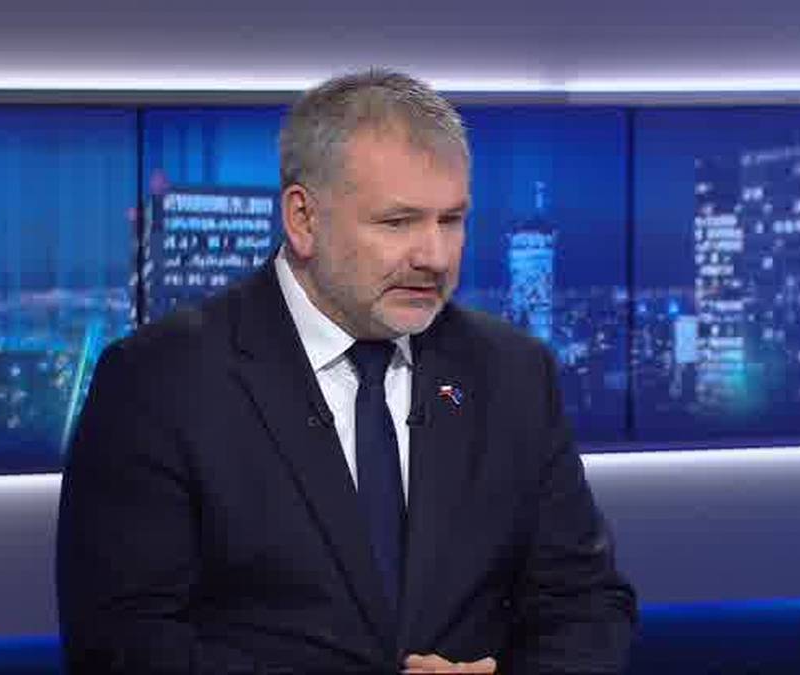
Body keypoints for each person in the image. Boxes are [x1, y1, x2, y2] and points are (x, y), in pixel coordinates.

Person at [56, 69, 637, 674]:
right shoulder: (158, 381)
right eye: (398, 222)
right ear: (304, 219)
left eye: (451, 220)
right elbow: (123, 644)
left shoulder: (513, 373)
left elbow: (585, 603)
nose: (434, 256)